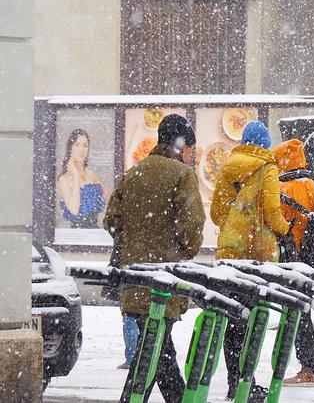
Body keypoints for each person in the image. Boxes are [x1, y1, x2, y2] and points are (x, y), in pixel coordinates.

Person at [104, 114, 205, 403]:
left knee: (155, 351)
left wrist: (133, 247)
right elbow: (191, 230)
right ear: (181, 145)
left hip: (135, 280)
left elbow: (112, 220)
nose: (190, 155)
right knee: (157, 351)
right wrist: (179, 252)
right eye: (190, 148)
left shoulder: (134, 172)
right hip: (164, 283)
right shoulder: (182, 175)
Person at [211, 121, 290, 401]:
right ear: (265, 144)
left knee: (232, 319)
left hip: (230, 255)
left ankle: (235, 380)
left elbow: (217, 215)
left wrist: (236, 222)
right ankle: (247, 381)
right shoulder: (268, 169)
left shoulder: (228, 167)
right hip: (257, 255)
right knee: (254, 319)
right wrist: (284, 228)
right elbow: (271, 211)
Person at [273, 139, 314, 387]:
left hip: (293, 260)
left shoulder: (283, 190)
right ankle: (307, 364)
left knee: (299, 313)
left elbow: (276, 225)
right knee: (300, 311)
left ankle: (309, 367)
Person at [58, 129, 108, 228]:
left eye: (85, 146)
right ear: (70, 148)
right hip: (77, 234)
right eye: (77, 145)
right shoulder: (64, 179)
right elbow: (74, 210)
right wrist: (76, 176)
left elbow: (107, 195)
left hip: (95, 232)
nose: (82, 150)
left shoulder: (90, 173)